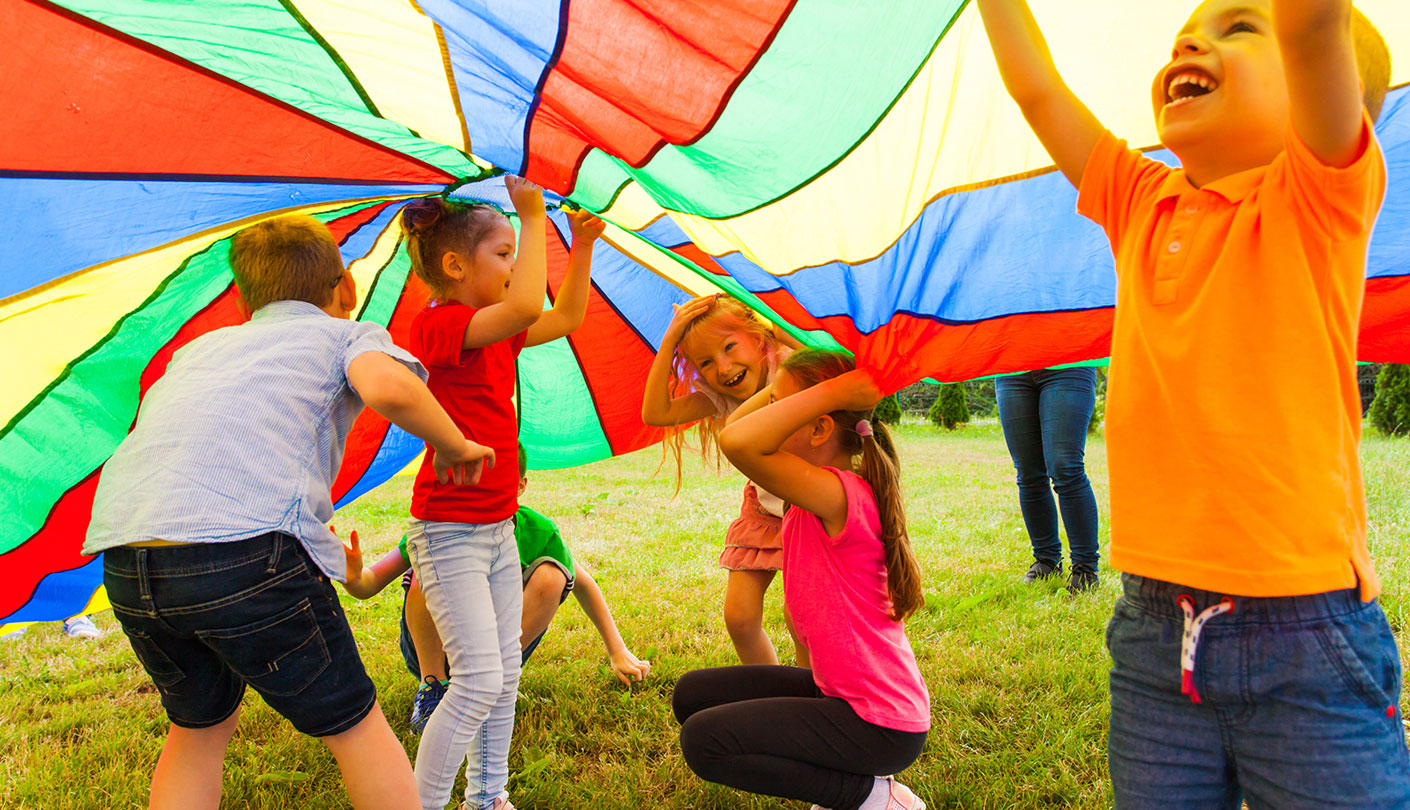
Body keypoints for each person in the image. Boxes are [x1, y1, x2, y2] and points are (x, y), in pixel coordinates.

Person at [977, 0, 1407, 806]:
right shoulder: (1141, 202)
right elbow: (1037, 91)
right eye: (1190, 29)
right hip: (1152, 639)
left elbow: (1314, 24)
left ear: (1329, 92)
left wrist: (1306, 31)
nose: (1190, 38)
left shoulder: (1319, 201)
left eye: (1240, 26)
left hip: (1307, 638)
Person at [81, 214, 493, 810]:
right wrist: (455, 444)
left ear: (244, 297)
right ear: (346, 288)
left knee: (196, 730)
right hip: (244, 553)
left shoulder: (198, 349)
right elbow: (390, 388)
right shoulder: (346, 335)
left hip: (129, 559)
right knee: (355, 727)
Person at [400, 179, 603, 810]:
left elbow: (564, 316)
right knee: (479, 678)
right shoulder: (438, 326)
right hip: (448, 528)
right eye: (505, 253)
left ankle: (487, 798)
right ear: (456, 265)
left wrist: (585, 249)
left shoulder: (493, 332)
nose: (517, 266)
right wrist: (534, 214)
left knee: (502, 674)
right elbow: (521, 309)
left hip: (494, 524)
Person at [674, 349, 930, 810]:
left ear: (818, 428)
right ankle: (857, 776)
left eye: (782, 406)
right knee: (692, 697)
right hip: (841, 696)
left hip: (879, 723)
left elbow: (738, 442)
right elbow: (739, 435)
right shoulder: (821, 486)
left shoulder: (839, 493)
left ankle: (872, 797)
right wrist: (787, 387)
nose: (771, 412)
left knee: (704, 741)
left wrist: (831, 391)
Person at [336, 443, 651, 734]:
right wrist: (353, 576)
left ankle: (489, 687)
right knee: (426, 571)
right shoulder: (438, 526)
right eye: (475, 482)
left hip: (497, 653)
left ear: (520, 486)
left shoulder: (538, 533)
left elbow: (582, 582)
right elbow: (369, 584)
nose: (483, 494)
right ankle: (432, 688)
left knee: (553, 575)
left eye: (496, 483)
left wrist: (617, 650)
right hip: (434, 650)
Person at [641, 294, 801, 666]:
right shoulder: (718, 397)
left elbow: (830, 357)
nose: (724, 368)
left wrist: (773, 322)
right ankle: (768, 695)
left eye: (730, 347)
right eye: (706, 362)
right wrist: (670, 340)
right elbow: (654, 412)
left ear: (759, 336)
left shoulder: (791, 367)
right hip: (764, 508)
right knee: (740, 618)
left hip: (811, 509)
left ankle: (812, 699)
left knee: (802, 618)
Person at [993, 368, 1100, 592]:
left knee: (1065, 466)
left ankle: (1085, 567)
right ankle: (1046, 560)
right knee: (1028, 471)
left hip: (1068, 363)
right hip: (1013, 367)